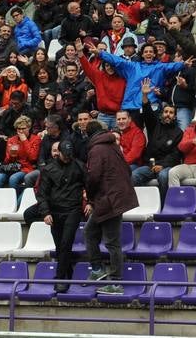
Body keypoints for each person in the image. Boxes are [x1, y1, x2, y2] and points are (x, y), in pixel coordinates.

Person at [84, 120, 136, 296]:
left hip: (109, 200)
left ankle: (115, 282)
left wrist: (89, 196)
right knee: (90, 232)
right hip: (112, 198)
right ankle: (98, 270)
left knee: (112, 243)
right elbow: (127, 171)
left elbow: (93, 177)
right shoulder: (113, 146)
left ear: (88, 134)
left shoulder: (96, 149)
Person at [35, 138, 86, 293]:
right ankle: (68, 274)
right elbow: (42, 193)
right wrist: (45, 213)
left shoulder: (79, 166)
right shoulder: (48, 169)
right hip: (55, 211)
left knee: (65, 243)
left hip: (73, 209)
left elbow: (89, 185)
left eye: (70, 155)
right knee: (60, 246)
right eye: (65, 155)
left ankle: (60, 278)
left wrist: (89, 201)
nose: (68, 158)